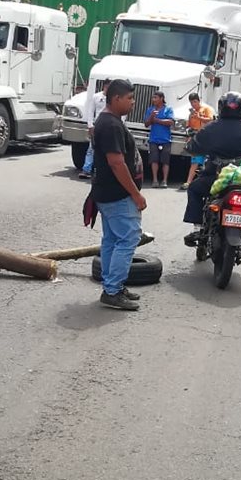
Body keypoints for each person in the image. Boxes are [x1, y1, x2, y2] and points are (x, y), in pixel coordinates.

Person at [183, 91, 241, 234]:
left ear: (221, 107)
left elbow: (193, 148)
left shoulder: (210, 128)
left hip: (216, 177)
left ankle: (197, 228)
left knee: (194, 189)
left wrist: (191, 147)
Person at [92, 79, 147, 311]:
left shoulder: (107, 121)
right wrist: (135, 195)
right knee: (128, 239)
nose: (133, 103)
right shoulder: (111, 125)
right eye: (130, 98)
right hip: (117, 195)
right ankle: (112, 290)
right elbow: (116, 163)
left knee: (113, 239)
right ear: (116, 99)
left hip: (106, 192)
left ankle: (112, 286)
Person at [181, 92, 214, 190]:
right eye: (191, 103)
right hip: (196, 137)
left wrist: (200, 117)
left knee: (207, 160)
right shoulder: (191, 114)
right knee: (195, 160)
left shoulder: (206, 109)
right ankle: (188, 181)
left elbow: (211, 119)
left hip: (206, 137)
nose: (193, 104)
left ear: (198, 101)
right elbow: (189, 126)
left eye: (195, 102)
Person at [143, 91, 174, 187]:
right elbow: (146, 124)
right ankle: (155, 180)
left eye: (155, 98)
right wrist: (151, 116)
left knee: (165, 161)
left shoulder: (168, 109)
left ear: (161, 98)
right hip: (154, 139)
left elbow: (170, 122)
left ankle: (164, 180)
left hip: (165, 139)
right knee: (154, 160)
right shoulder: (150, 110)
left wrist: (157, 120)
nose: (153, 100)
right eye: (153, 98)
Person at [78, 91, 106, 180]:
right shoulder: (96, 97)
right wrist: (90, 126)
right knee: (91, 148)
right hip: (97, 125)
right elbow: (90, 111)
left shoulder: (113, 98)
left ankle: (102, 171)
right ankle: (86, 170)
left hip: (109, 126)